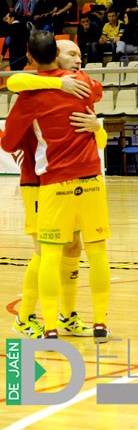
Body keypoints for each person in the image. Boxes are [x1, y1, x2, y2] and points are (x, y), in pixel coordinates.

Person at [1, 31, 110, 340]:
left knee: (72, 249)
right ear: (55, 56)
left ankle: (67, 316)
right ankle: (25, 318)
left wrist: (99, 126)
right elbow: (16, 82)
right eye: (71, 54)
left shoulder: (77, 82)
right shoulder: (40, 88)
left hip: (63, 179)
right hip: (38, 180)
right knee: (44, 252)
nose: (78, 59)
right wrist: (55, 81)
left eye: (79, 54)